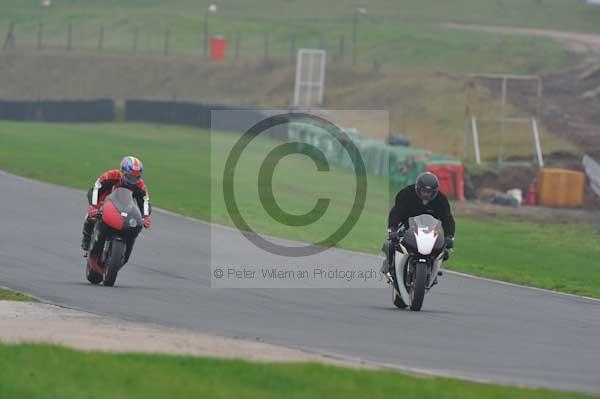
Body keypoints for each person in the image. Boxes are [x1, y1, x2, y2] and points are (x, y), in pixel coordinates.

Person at [381, 171, 455, 276]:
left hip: (429, 231)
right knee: (393, 244)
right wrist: (392, 229)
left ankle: (432, 269)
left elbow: (448, 219)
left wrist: (449, 236)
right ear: (417, 188)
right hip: (407, 227)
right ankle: (390, 263)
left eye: (429, 192)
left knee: (443, 251)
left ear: (435, 192)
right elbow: (396, 213)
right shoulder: (406, 194)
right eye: (423, 191)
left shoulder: (441, 200)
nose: (426, 194)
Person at [81, 156, 152, 253]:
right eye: (129, 177)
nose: (132, 181)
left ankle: (126, 250)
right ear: (122, 171)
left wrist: (145, 216)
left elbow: (145, 200)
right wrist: (93, 206)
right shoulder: (110, 175)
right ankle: (87, 238)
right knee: (90, 217)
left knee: (134, 226)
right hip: (104, 202)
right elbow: (96, 189)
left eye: (136, 178)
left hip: (126, 207)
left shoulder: (140, 185)